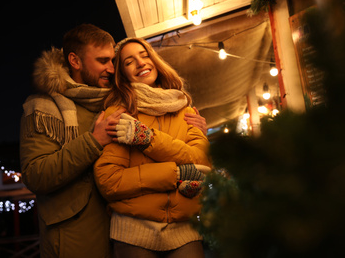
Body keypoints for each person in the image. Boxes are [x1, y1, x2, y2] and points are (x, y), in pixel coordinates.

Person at [20, 24, 208, 257]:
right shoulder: (46, 108)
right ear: (75, 61)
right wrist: (93, 141)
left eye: (113, 61)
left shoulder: (116, 101)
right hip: (78, 235)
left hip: (123, 227)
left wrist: (198, 134)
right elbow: (36, 175)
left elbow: (197, 158)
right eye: (103, 61)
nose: (111, 68)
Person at [93, 37, 211, 258]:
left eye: (144, 55)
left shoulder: (184, 109)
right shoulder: (119, 115)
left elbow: (201, 161)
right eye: (129, 62)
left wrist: (146, 139)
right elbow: (110, 181)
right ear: (122, 74)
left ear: (155, 60)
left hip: (184, 228)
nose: (140, 63)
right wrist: (176, 174)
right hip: (133, 232)